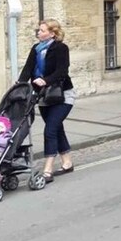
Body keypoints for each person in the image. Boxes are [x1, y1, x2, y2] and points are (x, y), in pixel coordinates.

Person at [18, 19, 75, 183]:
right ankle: (67, 162)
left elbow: (62, 71)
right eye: (39, 30)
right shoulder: (36, 49)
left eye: (42, 30)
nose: (39, 33)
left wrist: (46, 80)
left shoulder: (61, 48)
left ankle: (48, 169)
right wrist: (20, 85)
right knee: (56, 128)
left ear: (52, 33)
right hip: (43, 96)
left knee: (50, 129)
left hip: (62, 94)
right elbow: (28, 69)